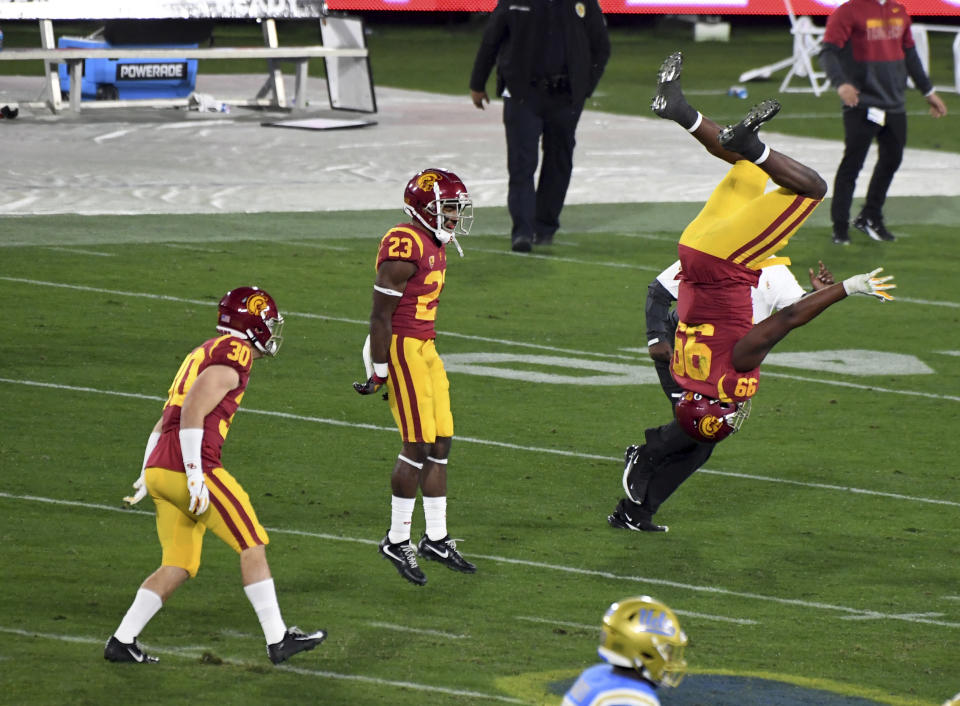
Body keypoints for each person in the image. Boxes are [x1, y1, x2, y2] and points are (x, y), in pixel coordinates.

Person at [637, 51, 896, 446]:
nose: (734, 410)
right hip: (695, 248)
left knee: (812, 189)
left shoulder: (731, 370)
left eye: (726, 412)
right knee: (746, 168)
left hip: (723, 259)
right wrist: (819, 292)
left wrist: (849, 287)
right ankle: (680, 109)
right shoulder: (686, 373)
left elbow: (789, 318)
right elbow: (784, 305)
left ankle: (752, 144)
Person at [106, 286, 326, 665]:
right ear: (252, 322)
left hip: (163, 466)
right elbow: (191, 411)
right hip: (192, 466)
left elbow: (165, 419)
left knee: (178, 564)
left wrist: (147, 473)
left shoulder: (204, 351)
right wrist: (194, 475)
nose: (272, 331)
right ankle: (278, 640)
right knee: (251, 542)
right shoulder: (235, 353)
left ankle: (122, 641)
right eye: (268, 323)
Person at [608, 258, 835, 533]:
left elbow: (794, 312)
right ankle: (647, 454)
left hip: (726, 361)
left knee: (704, 439)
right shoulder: (715, 253)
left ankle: (635, 512)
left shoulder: (775, 269)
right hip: (690, 350)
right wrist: (656, 337)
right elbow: (659, 290)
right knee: (699, 425)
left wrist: (817, 295)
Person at [353, 168, 477, 586]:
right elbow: (379, 316)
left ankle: (437, 538)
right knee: (417, 444)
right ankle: (396, 538)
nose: (455, 217)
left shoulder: (435, 242)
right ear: (425, 209)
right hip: (403, 348)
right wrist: (380, 368)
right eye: (448, 209)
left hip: (427, 347)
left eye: (456, 209)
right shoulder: (404, 243)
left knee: (441, 441)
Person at [468, 0, 610, 253]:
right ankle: (522, 231)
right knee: (522, 163)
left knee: (559, 161)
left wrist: (583, 89)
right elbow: (492, 39)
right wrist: (478, 83)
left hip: (566, 97)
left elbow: (601, 47)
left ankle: (544, 227)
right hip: (522, 94)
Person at [818, 0, 947, 245]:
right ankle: (840, 227)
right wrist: (841, 83)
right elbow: (827, 51)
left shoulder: (898, 10)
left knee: (892, 159)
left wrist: (928, 91)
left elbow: (909, 52)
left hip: (895, 102)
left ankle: (870, 217)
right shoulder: (848, 11)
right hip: (862, 102)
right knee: (852, 165)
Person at [562, 595, 688, 706]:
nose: (670, 658)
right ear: (645, 651)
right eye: (666, 650)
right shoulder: (634, 699)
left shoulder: (592, 675)